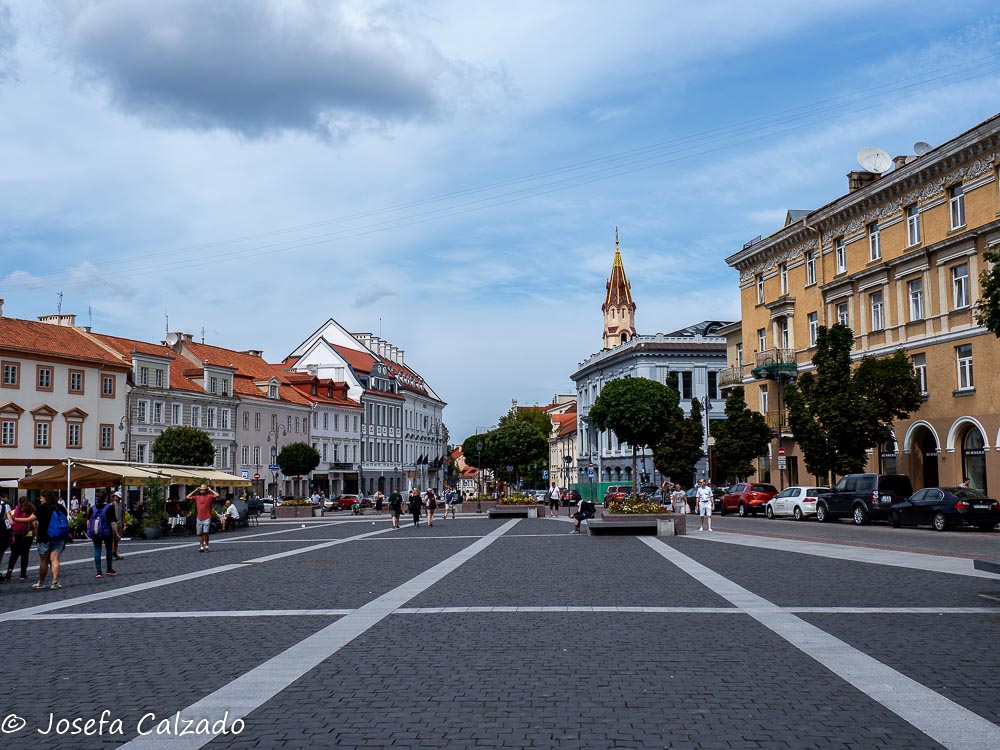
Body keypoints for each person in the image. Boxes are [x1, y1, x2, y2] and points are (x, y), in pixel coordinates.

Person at [27, 490, 68, 589]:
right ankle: (55, 582)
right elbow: (65, 521)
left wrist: (15, 519)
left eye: (41, 498)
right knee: (55, 559)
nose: (40, 500)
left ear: (46, 498)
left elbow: (29, 519)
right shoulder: (60, 507)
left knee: (44, 561)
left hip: (44, 537)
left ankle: (41, 582)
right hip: (58, 536)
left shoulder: (42, 508)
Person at [86, 490, 119, 578]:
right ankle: (109, 569)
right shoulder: (110, 507)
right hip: (107, 531)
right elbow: (113, 521)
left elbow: (88, 521)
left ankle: (98, 572)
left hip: (96, 532)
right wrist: (116, 533)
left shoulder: (93, 508)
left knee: (97, 550)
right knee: (109, 550)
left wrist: (89, 532)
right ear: (106, 498)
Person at [5, 497, 35, 581]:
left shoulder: (13, 512)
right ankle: (23, 575)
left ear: (18, 503)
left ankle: (9, 570)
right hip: (27, 535)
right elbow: (34, 524)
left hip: (15, 535)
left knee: (13, 554)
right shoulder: (30, 512)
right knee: (25, 555)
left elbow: (9, 524)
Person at [187, 484, 219, 552]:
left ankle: (207, 546)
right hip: (199, 517)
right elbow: (187, 497)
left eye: (203, 489)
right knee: (200, 533)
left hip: (207, 517)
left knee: (206, 532)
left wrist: (210, 489)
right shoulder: (197, 497)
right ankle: (201, 547)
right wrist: (195, 490)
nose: (202, 490)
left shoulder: (209, 496)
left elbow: (217, 495)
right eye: (201, 489)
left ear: (206, 490)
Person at [110, 490, 125, 560]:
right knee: (112, 539)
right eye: (115, 496)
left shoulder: (121, 505)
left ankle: (115, 553)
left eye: (117, 497)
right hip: (113, 523)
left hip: (119, 523)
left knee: (117, 539)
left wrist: (124, 524)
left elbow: (122, 515)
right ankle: (112, 553)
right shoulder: (112, 505)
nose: (115, 498)